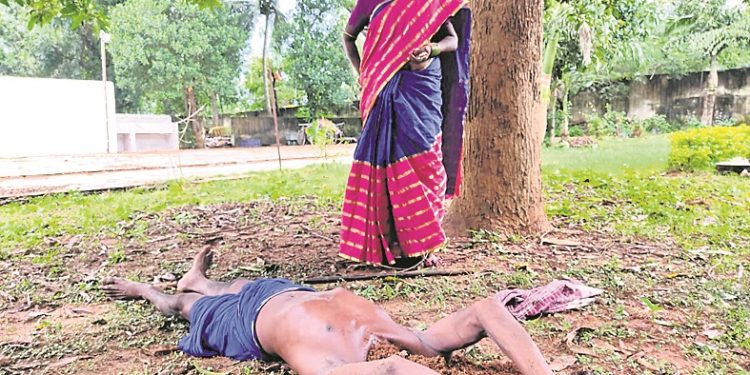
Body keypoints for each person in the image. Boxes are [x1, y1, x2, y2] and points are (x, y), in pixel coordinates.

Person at [102, 247, 554, 375]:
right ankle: (173, 287)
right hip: (281, 296)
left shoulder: (335, 363)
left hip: (250, 319)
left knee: (192, 304)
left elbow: (486, 309)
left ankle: (171, 288)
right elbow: (395, 366)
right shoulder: (401, 345)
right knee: (204, 296)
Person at [339, 0, 472, 267]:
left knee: (430, 166)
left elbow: (452, 39)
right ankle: (394, 245)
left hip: (423, 89)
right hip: (383, 89)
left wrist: (430, 48)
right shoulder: (370, 3)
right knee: (386, 164)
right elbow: (348, 37)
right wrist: (364, 73)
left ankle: (427, 245)